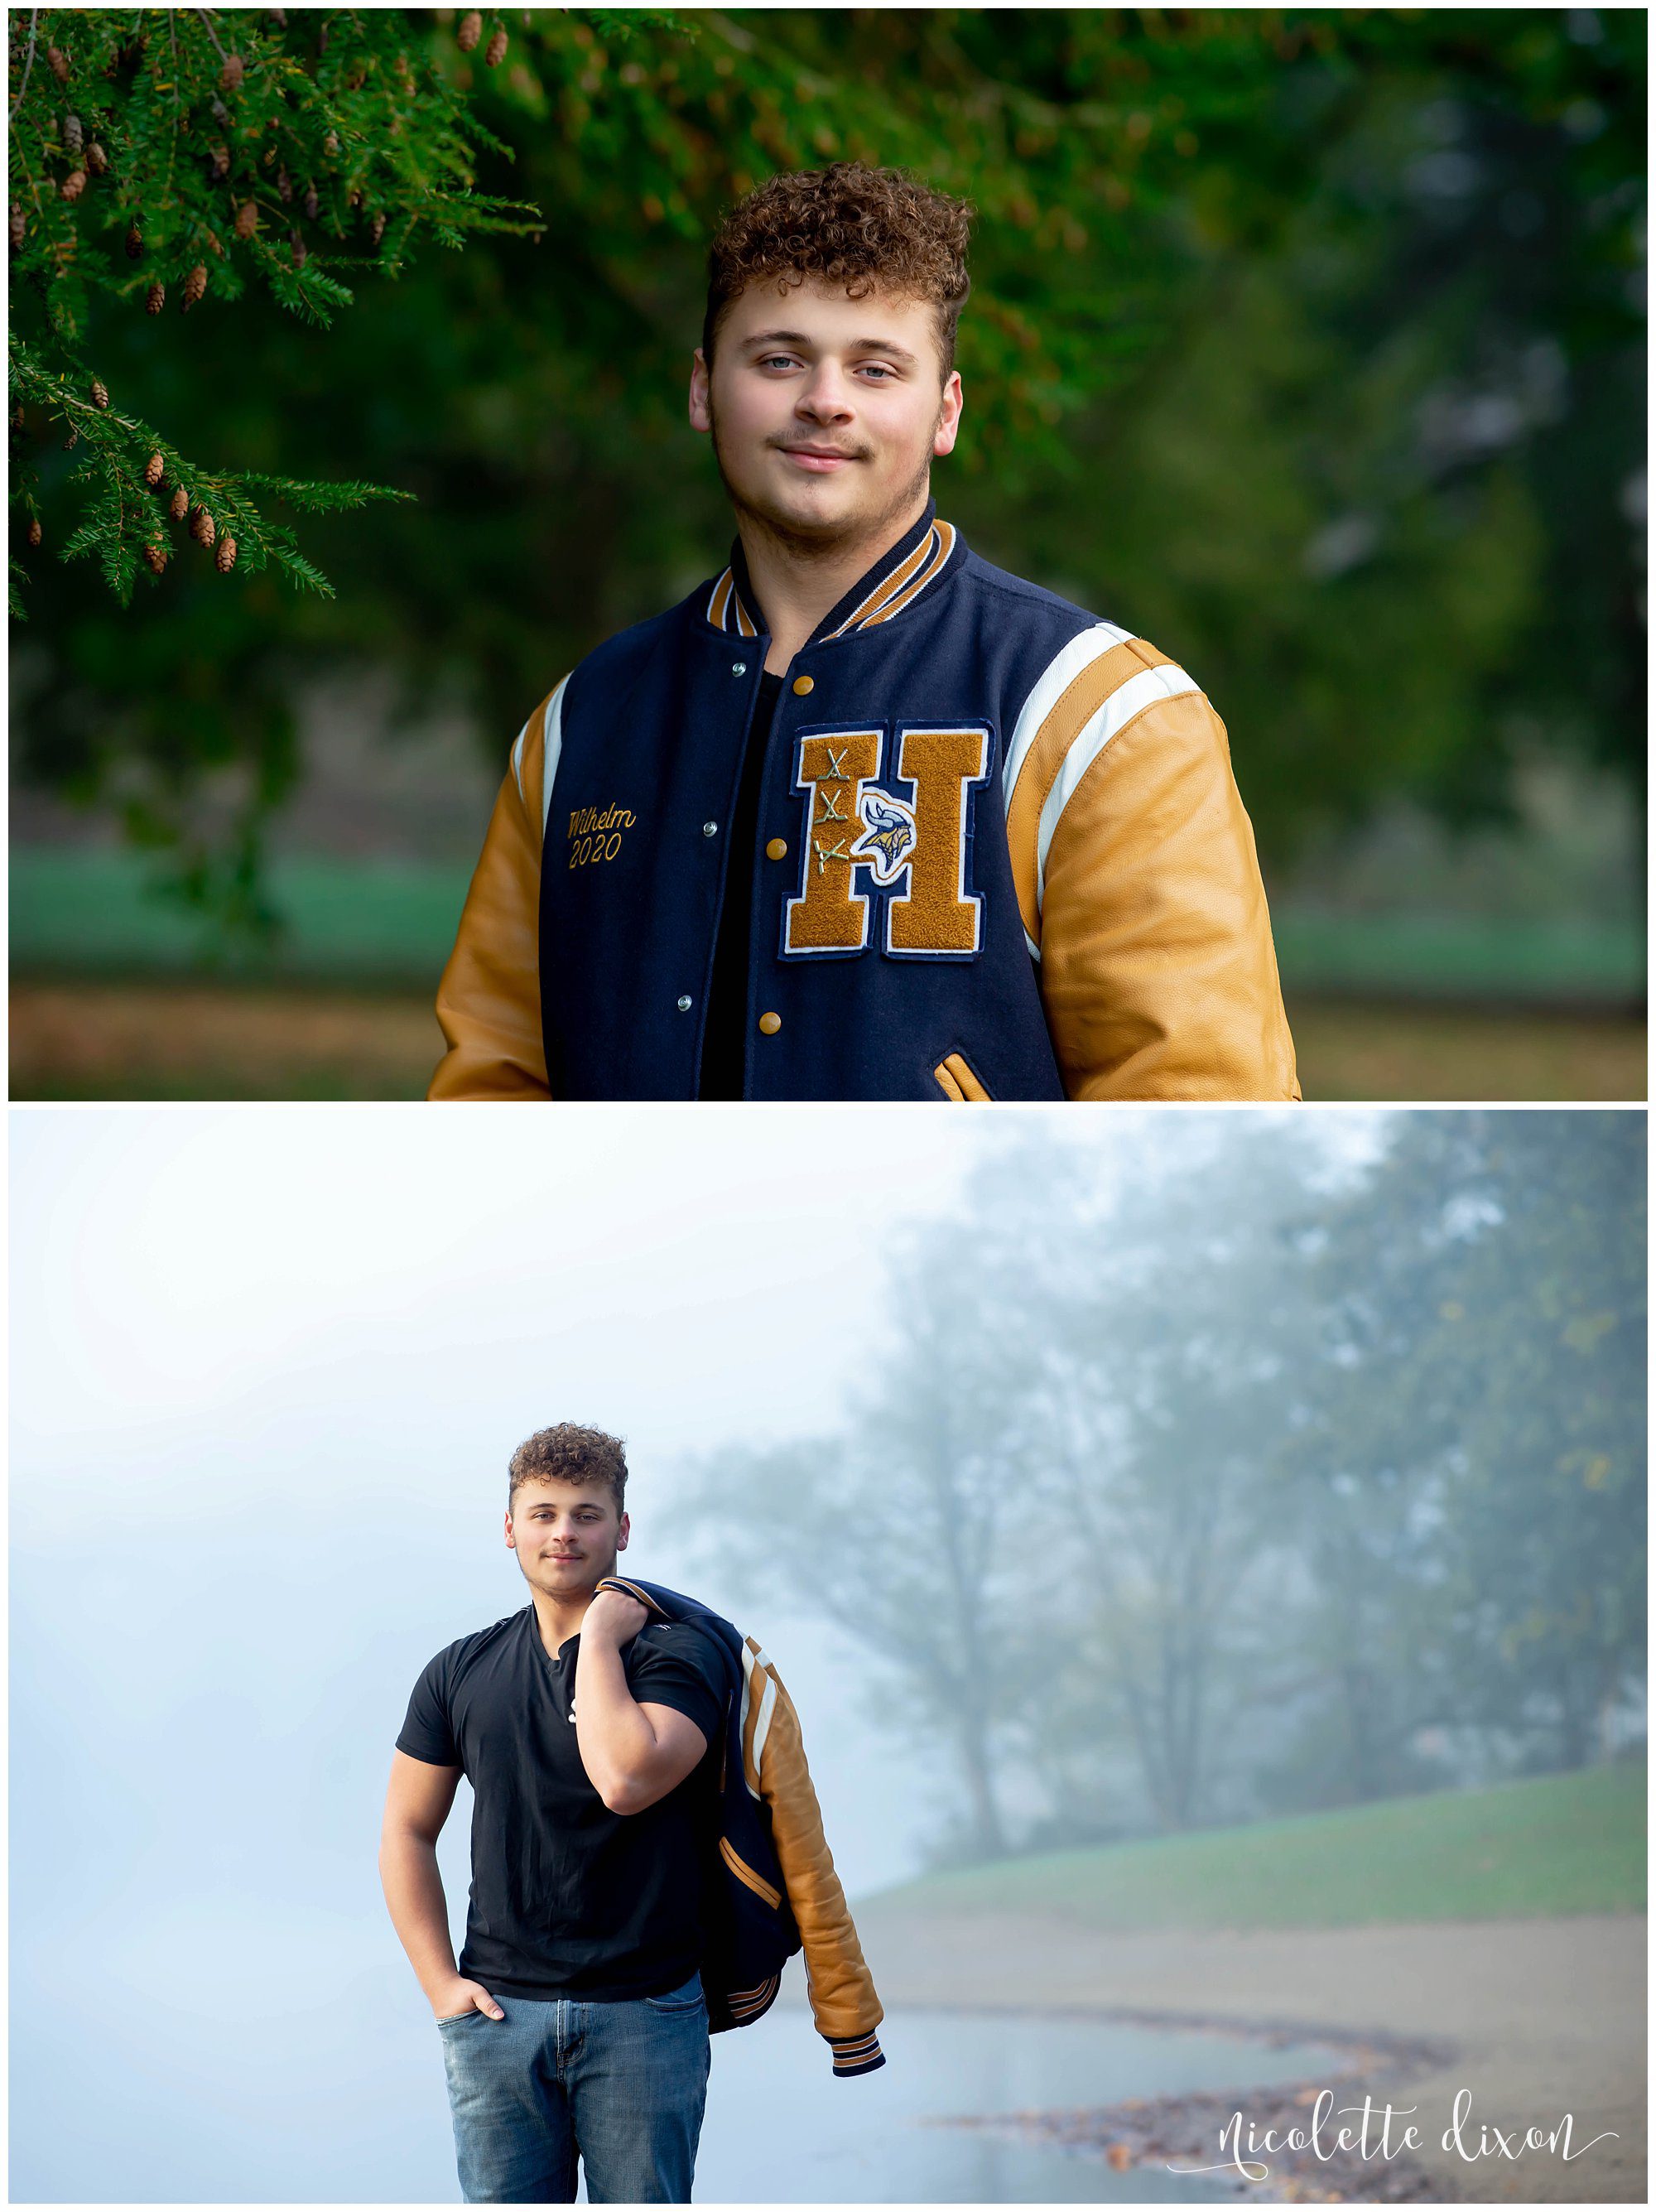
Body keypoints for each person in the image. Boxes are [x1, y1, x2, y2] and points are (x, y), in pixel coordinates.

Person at [429, 160, 1300, 1103]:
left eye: (875, 368)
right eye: (778, 359)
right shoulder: (582, 723)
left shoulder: (1099, 714)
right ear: (700, 389)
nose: (824, 400)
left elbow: (1199, 1109)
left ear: (945, 412)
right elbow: (494, 1089)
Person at [379, 1423, 880, 2207]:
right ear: (509, 1527)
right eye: (543, 1513)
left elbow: (628, 1777)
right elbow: (408, 1830)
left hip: (646, 2014)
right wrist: (441, 1984)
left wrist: (604, 1638)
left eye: (586, 1513)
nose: (564, 1532)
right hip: (497, 2016)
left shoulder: (682, 1654)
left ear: (622, 1528)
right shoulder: (458, 1670)